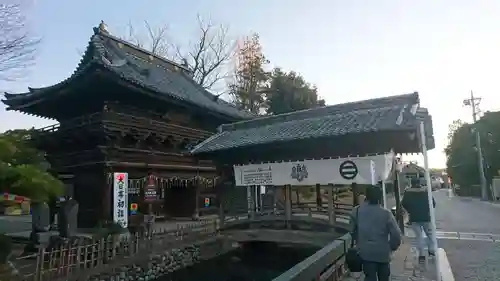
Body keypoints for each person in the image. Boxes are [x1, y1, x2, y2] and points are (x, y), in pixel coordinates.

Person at [350, 185, 402, 281]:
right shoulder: (386, 213)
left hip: (365, 252)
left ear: (366, 196)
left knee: (370, 277)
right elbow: (396, 234)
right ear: (380, 197)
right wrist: (391, 247)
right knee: (384, 277)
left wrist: (359, 242)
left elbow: (351, 231)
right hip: (383, 252)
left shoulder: (356, 211)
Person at [401, 178, 436, 262]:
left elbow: (403, 203)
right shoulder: (426, 191)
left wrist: (410, 211)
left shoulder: (408, 191)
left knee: (419, 236)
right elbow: (433, 203)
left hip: (414, 218)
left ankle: (421, 255)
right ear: (419, 183)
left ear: (411, 183)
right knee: (430, 235)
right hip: (426, 217)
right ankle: (431, 251)